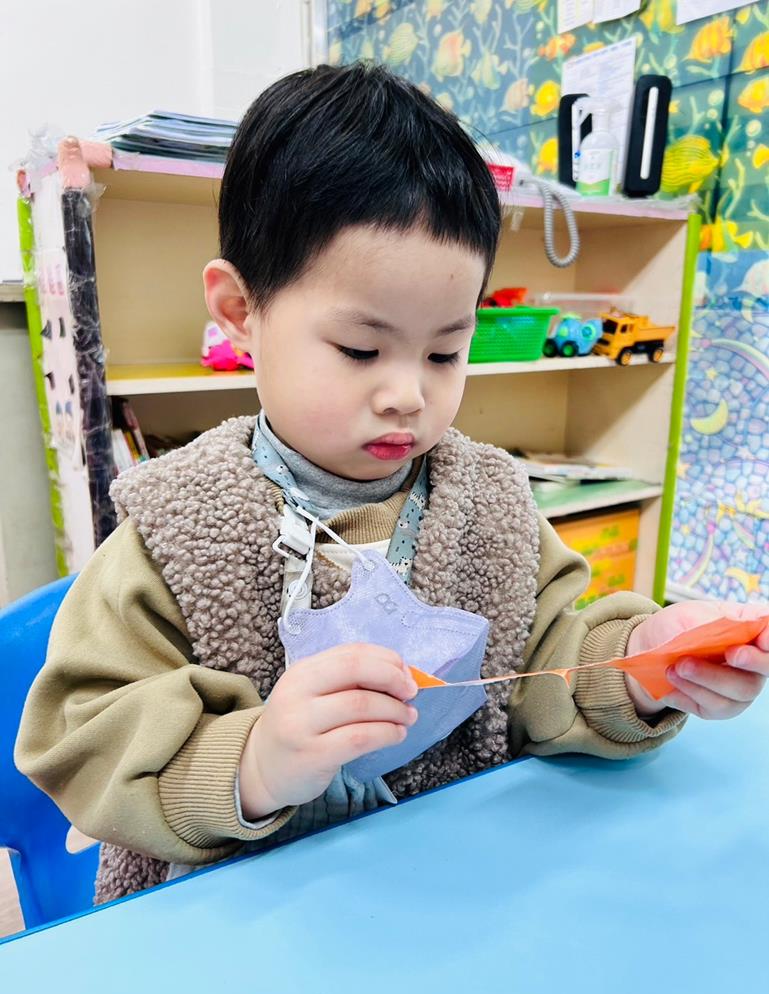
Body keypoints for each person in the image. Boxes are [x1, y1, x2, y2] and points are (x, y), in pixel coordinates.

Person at [15, 63, 768, 903]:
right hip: (243, 905)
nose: (408, 394)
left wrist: (644, 665)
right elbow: (81, 741)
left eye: (445, 352)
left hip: (451, 890)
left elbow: (547, 665)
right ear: (239, 311)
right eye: (361, 349)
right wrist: (256, 761)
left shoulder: (488, 504)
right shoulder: (178, 525)